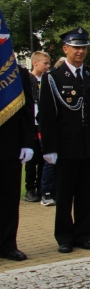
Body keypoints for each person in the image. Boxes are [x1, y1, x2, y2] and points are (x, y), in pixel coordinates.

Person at [39, 27, 90, 254]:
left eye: (83, 47)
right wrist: (49, 147)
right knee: (65, 193)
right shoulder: (53, 77)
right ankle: (64, 237)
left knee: (86, 193)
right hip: (66, 145)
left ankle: (83, 235)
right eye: (75, 47)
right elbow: (47, 116)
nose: (80, 51)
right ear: (65, 49)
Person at [0, 46, 36, 261]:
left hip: (10, 145)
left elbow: (27, 110)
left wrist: (27, 143)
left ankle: (7, 244)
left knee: (9, 198)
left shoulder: (19, 74)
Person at [23, 51, 50, 203]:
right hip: (32, 124)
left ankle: (42, 186)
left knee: (42, 157)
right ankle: (29, 189)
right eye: (45, 63)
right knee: (31, 159)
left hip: (44, 124)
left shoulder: (48, 79)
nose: (47, 66)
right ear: (35, 63)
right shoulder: (28, 79)